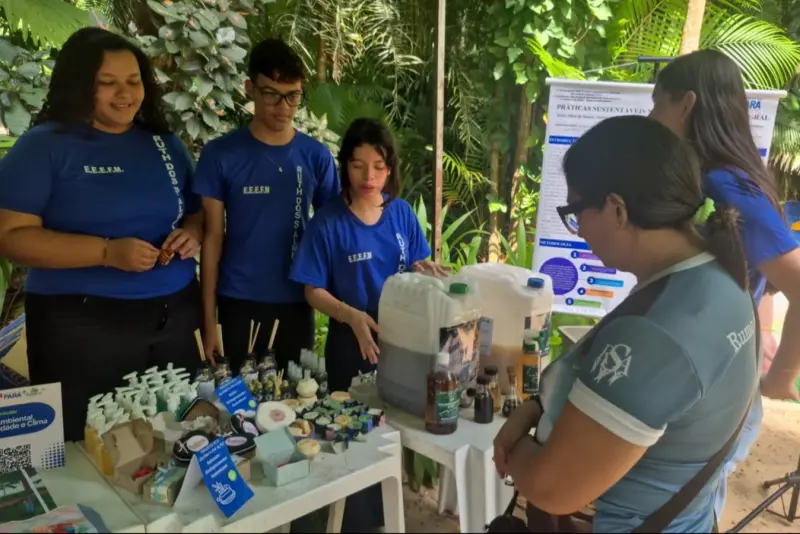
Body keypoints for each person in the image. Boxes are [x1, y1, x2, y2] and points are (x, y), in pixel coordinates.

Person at [493, 116, 758, 532]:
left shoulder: (659, 332)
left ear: (616, 209)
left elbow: (553, 488)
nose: (579, 234)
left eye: (576, 213)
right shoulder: (719, 278)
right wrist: (532, 410)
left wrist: (513, 449)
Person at [0, 28, 203, 442]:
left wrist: (190, 234)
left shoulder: (164, 144)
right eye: (107, 84)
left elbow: (195, 213)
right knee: (88, 445)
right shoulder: (45, 146)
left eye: (133, 81)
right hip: (81, 326)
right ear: (80, 86)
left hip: (174, 317)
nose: (124, 94)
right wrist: (107, 252)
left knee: (175, 436)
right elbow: (10, 235)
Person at [649, 49, 800, 520]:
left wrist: (779, 376)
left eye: (657, 104)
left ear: (687, 104)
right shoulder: (710, 178)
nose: (652, 118)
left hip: (717, 394)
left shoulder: (728, 187)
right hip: (700, 381)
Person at [290, 118, 445, 532]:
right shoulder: (328, 222)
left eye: (378, 166)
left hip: (401, 342)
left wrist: (422, 270)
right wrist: (350, 315)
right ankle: (352, 519)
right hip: (350, 340)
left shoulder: (401, 214)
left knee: (393, 428)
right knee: (354, 434)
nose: (369, 177)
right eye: (358, 165)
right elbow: (311, 289)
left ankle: (384, 516)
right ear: (345, 166)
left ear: (390, 168)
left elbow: (414, 265)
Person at [195, 38, 339, 373]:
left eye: (293, 96)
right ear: (250, 88)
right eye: (271, 94)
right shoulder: (221, 155)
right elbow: (213, 237)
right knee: (238, 405)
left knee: (295, 400)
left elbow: (334, 229)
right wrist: (208, 319)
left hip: (296, 299)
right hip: (238, 300)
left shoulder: (315, 156)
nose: (283, 107)